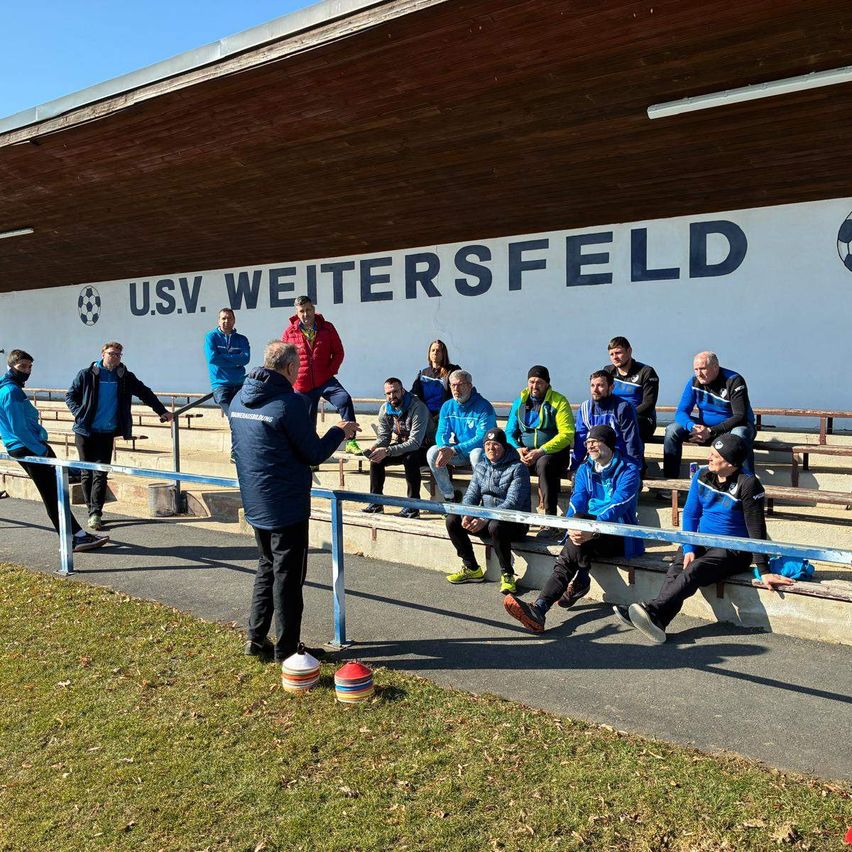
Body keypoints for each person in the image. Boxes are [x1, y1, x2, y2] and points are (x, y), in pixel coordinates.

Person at [229, 341, 359, 662]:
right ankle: (286, 650)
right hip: (286, 507)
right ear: (289, 369)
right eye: (298, 369)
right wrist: (339, 431)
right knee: (288, 578)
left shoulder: (237, 400)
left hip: (256, 501)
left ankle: (255, 638)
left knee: (266, 568)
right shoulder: (289, 404)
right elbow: (313, 452)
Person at [624, 433, 793, 644]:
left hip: (733, 550)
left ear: (730, 462)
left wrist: (764, 570)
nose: (708, 458)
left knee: (694, 569)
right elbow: (691, 513)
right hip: (702, 541)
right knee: (677, 568)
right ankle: (658, 621)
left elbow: (756, 527)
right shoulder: (702, 475)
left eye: (715, 455)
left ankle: (653, 609)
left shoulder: (748, 484)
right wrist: (689, 548)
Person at [504, 425, 643, 633]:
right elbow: (577, 501)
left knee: (573, 548)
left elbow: (619, 505)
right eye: (587, 443)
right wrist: (574, 527)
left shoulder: (629, 469)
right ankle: (541, 607)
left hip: (618, 532)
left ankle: (565, 590)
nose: (590, 446)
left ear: (608, 443)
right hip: (587, 530)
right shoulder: (585, 469)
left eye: (595, 441)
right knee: (574, 538)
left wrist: (592, 529)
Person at [0, 350, 108, 552]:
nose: (27, 371)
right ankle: (74, 538)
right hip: (28, 448)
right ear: (11, 366)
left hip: (25, 446)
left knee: (55, 493)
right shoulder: (10, 392)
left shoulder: (8, 388)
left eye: (30, 367)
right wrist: (41, 450)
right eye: (22, 367)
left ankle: (76, 535)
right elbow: (18, 428)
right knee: (53, 495)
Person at [65, 341, 174, 531]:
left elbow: (144, 393)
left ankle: (96, 513)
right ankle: (91, 509)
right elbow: (70, 396)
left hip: (106, 433)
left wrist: (161, 411)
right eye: (111, 353)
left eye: (118, 354)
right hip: (85, 432)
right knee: (86, 473)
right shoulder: (86, 374)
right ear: (102, 354)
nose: (114, 357)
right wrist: (79, 413)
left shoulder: (124, 377)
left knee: (101, 472)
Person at [445, 427, 531, 594]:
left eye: (496, 444)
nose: (491, 448)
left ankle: (507, 574)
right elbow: (471, 496)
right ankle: (471, 568)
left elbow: (512, 503)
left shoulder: (518, 468)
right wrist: (467, 515)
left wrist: (485, 517)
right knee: (452, 519)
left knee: (496, 526)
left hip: (514, 523)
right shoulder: (481, 466)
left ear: (504, 446)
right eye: (488, 444)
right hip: (487, 519)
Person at [280, 295, 361, 454]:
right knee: (308, 423)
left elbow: (338, 352)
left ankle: (351, 441)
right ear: (297, 313)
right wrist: (291, 380)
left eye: (308, 310)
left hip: (325, 380)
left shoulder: (327, 328)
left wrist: (328, 371)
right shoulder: (290, 332)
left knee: (344, 399)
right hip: (302, 385)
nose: (305, 314)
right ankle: (312, 456)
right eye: (301, 311)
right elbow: (284, 359)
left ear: (314, 309)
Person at [506, 365, 575, 537]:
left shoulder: (559, 401)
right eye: (531, 381)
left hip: (553, 455)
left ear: (547, 384)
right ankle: (513, 517)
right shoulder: (519, 402)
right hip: (526, 454)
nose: (535, 386)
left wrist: (541, 450)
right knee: (507, 462)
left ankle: (549, 522)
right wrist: (517, 449)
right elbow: (509, 432)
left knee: (545, 465)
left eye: (539, 382)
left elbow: (567, 434)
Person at [663, 351, 756, 478]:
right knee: (672, 429)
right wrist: (693, 427)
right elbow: (681, 412)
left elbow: (740, 416)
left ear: (715, 367)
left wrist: (711, 431)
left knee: (739, 434)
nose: (698, 373)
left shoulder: (733, 380)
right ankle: (669, 481)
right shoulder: (693, 382)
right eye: (695, 369)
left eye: (702, 369)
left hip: (733, 428)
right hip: (704, 429)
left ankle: (748, 482)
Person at [362, 377, 435, 518]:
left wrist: (388, 450)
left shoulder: (417, 407)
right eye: (388, 393)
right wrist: (375, 448)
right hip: (402, 445)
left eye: (395, 392)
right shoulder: (385, 409)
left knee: (410, 458)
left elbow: (415, 443)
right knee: (376, 459)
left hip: (425, 448)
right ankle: (376, 502)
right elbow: (384, 437)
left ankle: (413, 506)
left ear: (402, 391)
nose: (392, 396)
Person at [426, 369, 497, 502]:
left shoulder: (484, 407)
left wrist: (453, 450)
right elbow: (442, 432)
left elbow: (482, 438)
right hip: (459, 452)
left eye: (460, 385)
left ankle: (482, 498)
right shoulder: (447, 406)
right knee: (433, 452)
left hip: (482, 452)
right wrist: (444, 448)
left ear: (470, 386)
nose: (456, 389)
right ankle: (449, 496)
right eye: (453, 385)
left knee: (476, 453)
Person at [572, 370, 642, 469]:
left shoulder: (623, 408)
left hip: (619, 461)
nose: (595, 390)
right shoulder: (584, 409)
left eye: (600, 385)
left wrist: (634, 469)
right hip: (594, 459)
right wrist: (574, 467)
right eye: (592, 385)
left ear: (611, 387)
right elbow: (581, 441)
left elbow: (631, 441)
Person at [602, 336, 659, 444]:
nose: (615, 357)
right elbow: (602, 397)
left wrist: (625, 415)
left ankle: (636, 460)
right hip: (614, 417)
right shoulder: (608, 371)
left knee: (631, 425)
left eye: (618, 353)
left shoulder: (646, 371)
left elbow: (649, 404)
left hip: (642, 418)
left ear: (629, 351)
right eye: (611, 354)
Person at [204, 308, 251, 417]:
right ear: (219, 321)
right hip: (221, 385)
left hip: (240, 383)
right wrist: (236, 361)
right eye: (223, 318)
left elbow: (245, 359)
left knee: (245, 415)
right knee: (233, 417)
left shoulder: (242, 339)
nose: (226, 321)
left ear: (234, 320)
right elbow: (213, 358)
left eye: (229, 318)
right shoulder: (211, 337)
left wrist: (223, 357)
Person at [411, 339, 460, 428]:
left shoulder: (452, 371)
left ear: (443, 354)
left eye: (438, 350)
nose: (435, 353)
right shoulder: (424, 373)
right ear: (429, 353)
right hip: (426, 414)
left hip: (445, 414)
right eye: (432, 350)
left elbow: (457, 393)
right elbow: (414, 393)